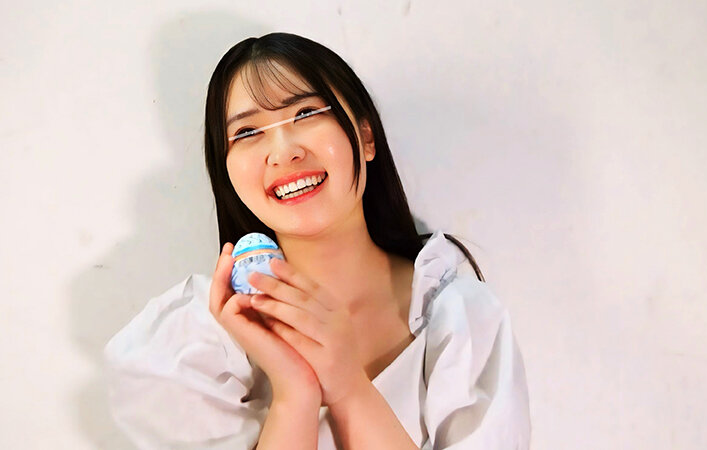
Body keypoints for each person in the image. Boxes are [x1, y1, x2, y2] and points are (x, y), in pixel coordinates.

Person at [104, 32, 531, 449]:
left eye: (306, 113)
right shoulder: (201, 344)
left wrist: (349, 387)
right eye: (247, 133)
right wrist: (293, 394)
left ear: (366, 137)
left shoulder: (458, 321)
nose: (283, 151)